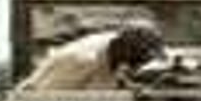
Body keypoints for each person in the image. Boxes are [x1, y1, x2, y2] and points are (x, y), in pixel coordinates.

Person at [15, 24, 165, 92]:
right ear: (127, 48)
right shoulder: (84, 60)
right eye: (141, 55)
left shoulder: (113, 50)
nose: (143, 62)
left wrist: (126, 86)